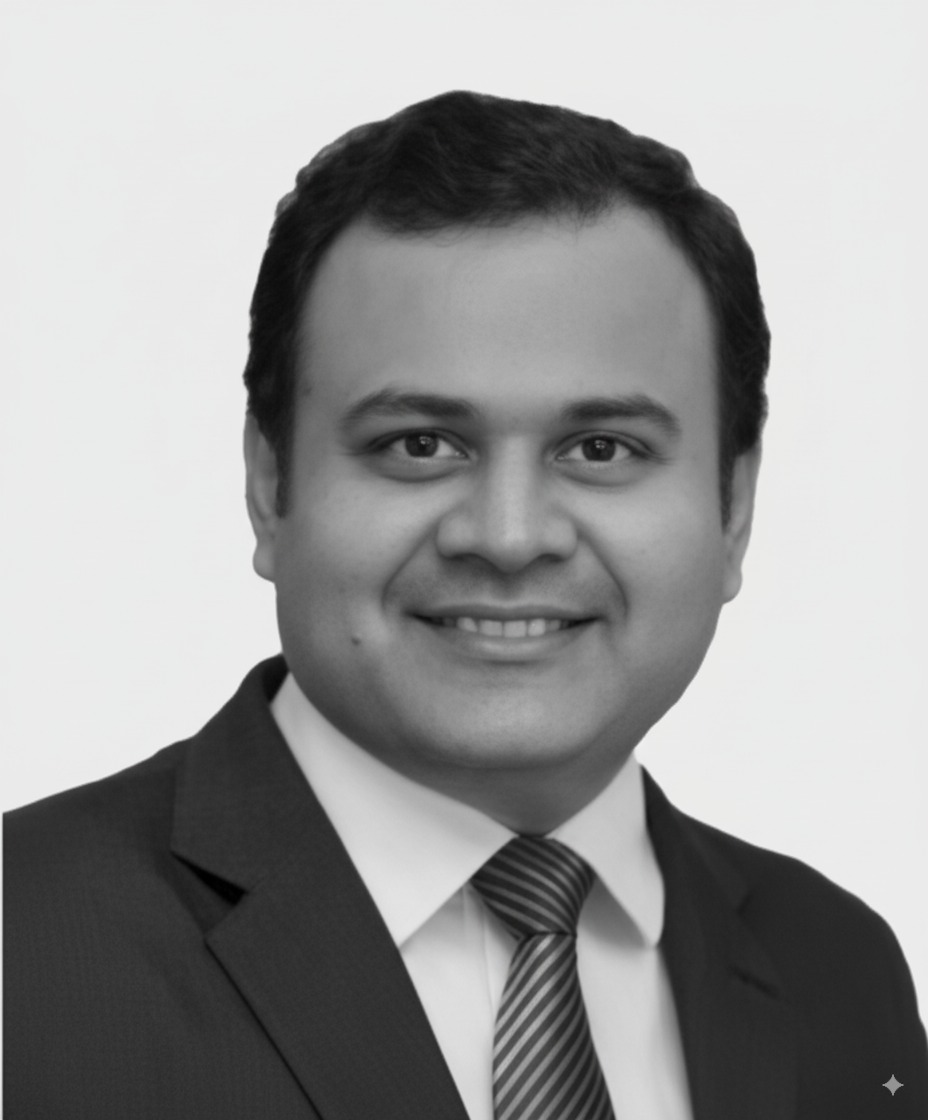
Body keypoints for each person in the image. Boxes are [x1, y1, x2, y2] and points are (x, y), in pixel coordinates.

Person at [4, 91, 926, 1120]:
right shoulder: (20, 951)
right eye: (419, 444)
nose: (508, 535)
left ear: (734, 508)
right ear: (269, 486)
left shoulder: (839, 970)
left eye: (601, 448)